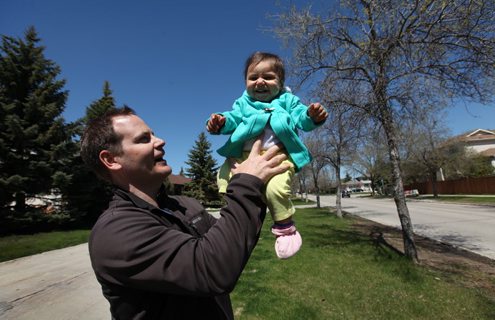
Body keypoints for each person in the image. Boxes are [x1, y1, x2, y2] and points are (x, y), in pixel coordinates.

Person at [80, 106, 290, 320]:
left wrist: (265, 186)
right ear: (111, 160)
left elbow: (230, 245)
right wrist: (247, 183)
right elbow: (214, 269)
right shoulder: (115, 232)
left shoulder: (185, 204)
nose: (160, 141)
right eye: (144, 139)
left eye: (154, 134)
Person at [206, 52, 328, 259]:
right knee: (225, 181)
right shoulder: (243, 103)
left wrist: (311, 116)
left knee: (275, 190)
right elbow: (233, 118)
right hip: (244, 156)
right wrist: (221, 123)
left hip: (278, 156)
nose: (260, 81)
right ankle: (236, 221)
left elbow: (301, 119)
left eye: (268, 77)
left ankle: (286, 227)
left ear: (280, 83)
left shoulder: (288, 100)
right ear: (246, 82)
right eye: (253, 77)